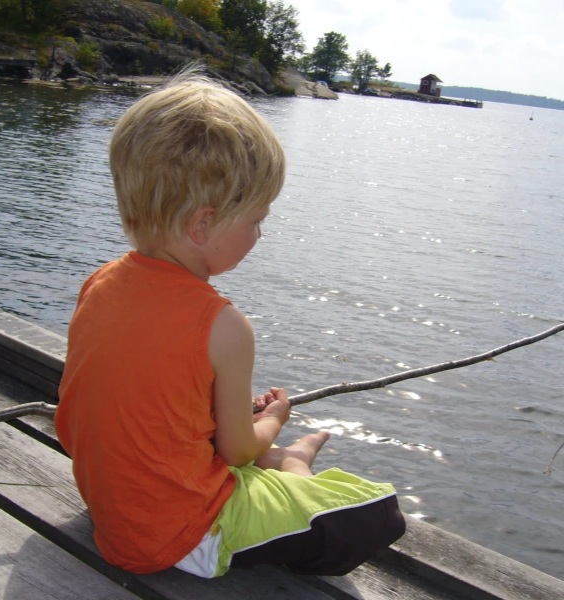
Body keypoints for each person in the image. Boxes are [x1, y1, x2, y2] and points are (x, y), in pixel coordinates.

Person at [54, 67, 405, 579]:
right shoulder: (224, 326)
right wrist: (274, 419)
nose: (260, 234)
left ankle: (285, 465)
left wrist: (239, 418)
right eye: (256, 219)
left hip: (112, 505)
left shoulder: (100, 283)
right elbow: (236, 450)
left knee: (246, 456)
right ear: (202, 224)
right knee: (372, 515)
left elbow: (141, 404)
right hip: (180, 537)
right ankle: (292, 464)